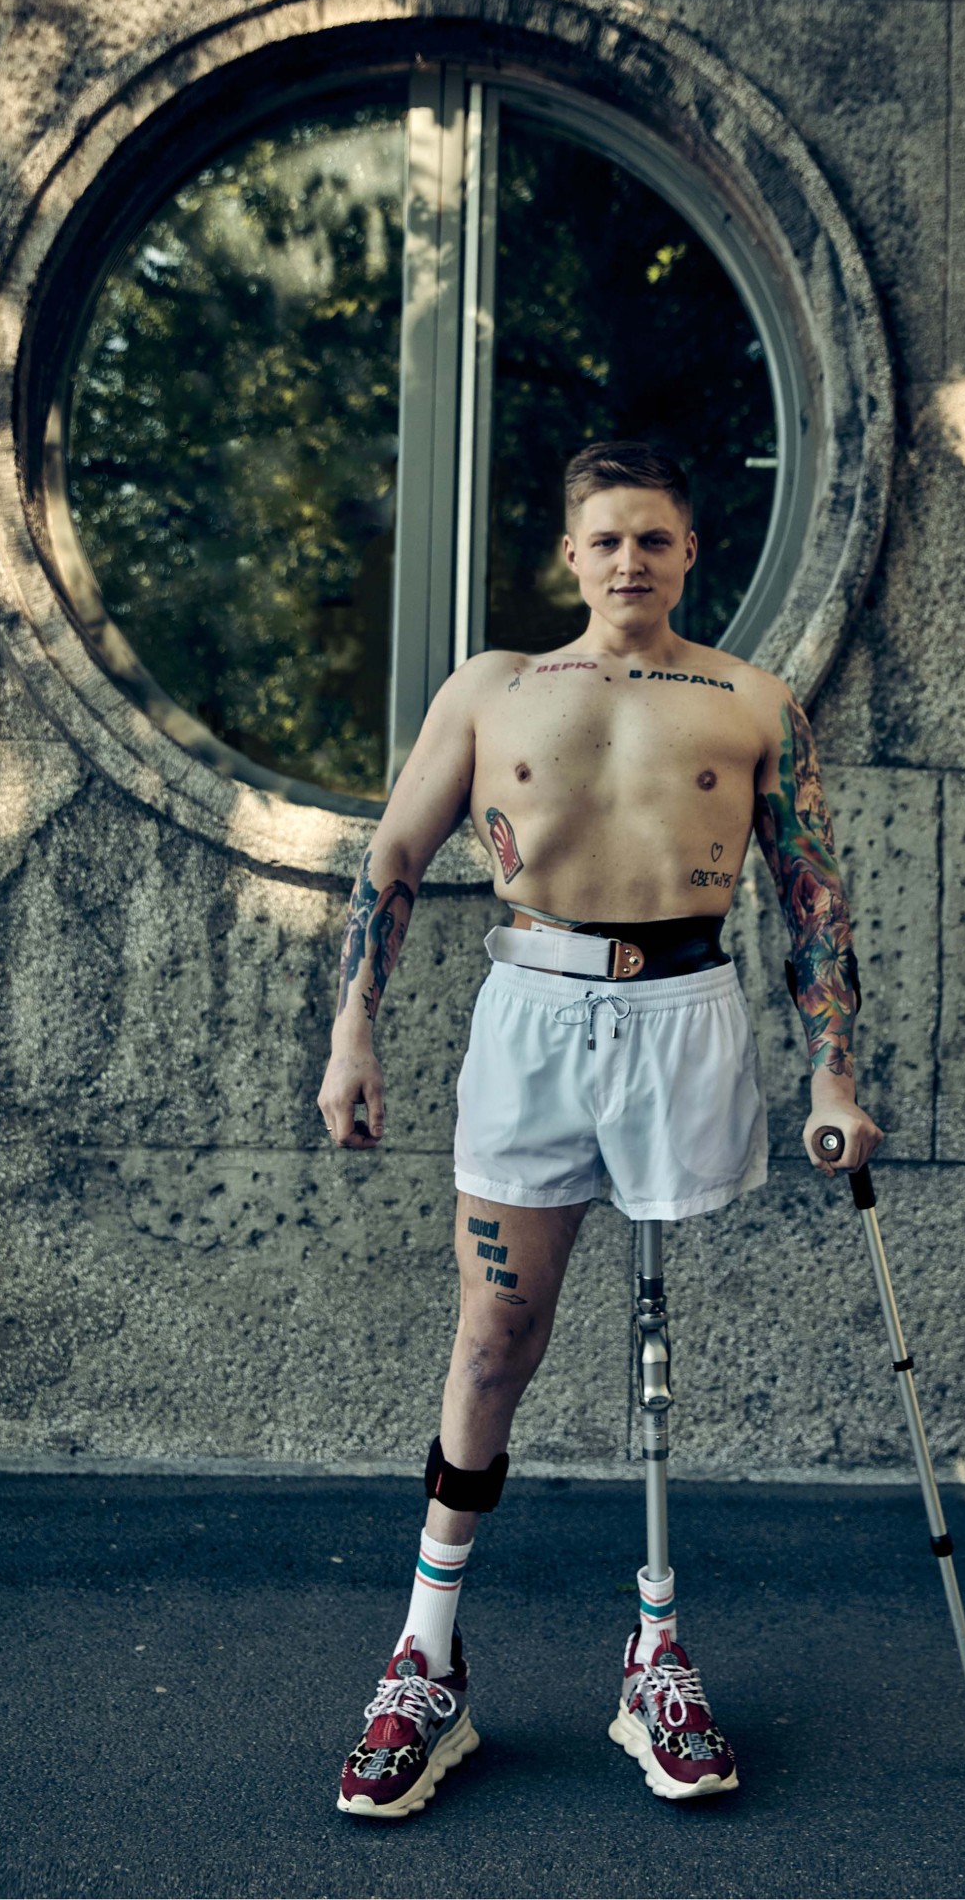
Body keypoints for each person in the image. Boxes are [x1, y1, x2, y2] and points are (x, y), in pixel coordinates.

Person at [318, 440, 883, 1817]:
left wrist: (834, 1076)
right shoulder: (494, 688)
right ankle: (425, 1660)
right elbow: (394, 855)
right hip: (533, 1010)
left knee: (653, 1339)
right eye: (607, 539)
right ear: (570, 555)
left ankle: (657, 1655)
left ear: (692, 553)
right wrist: (352, 1030)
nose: (631, 559)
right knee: (493, 1339)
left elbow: (812, 894)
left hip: (685, 1009)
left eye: (656, 538)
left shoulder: (751, 700)